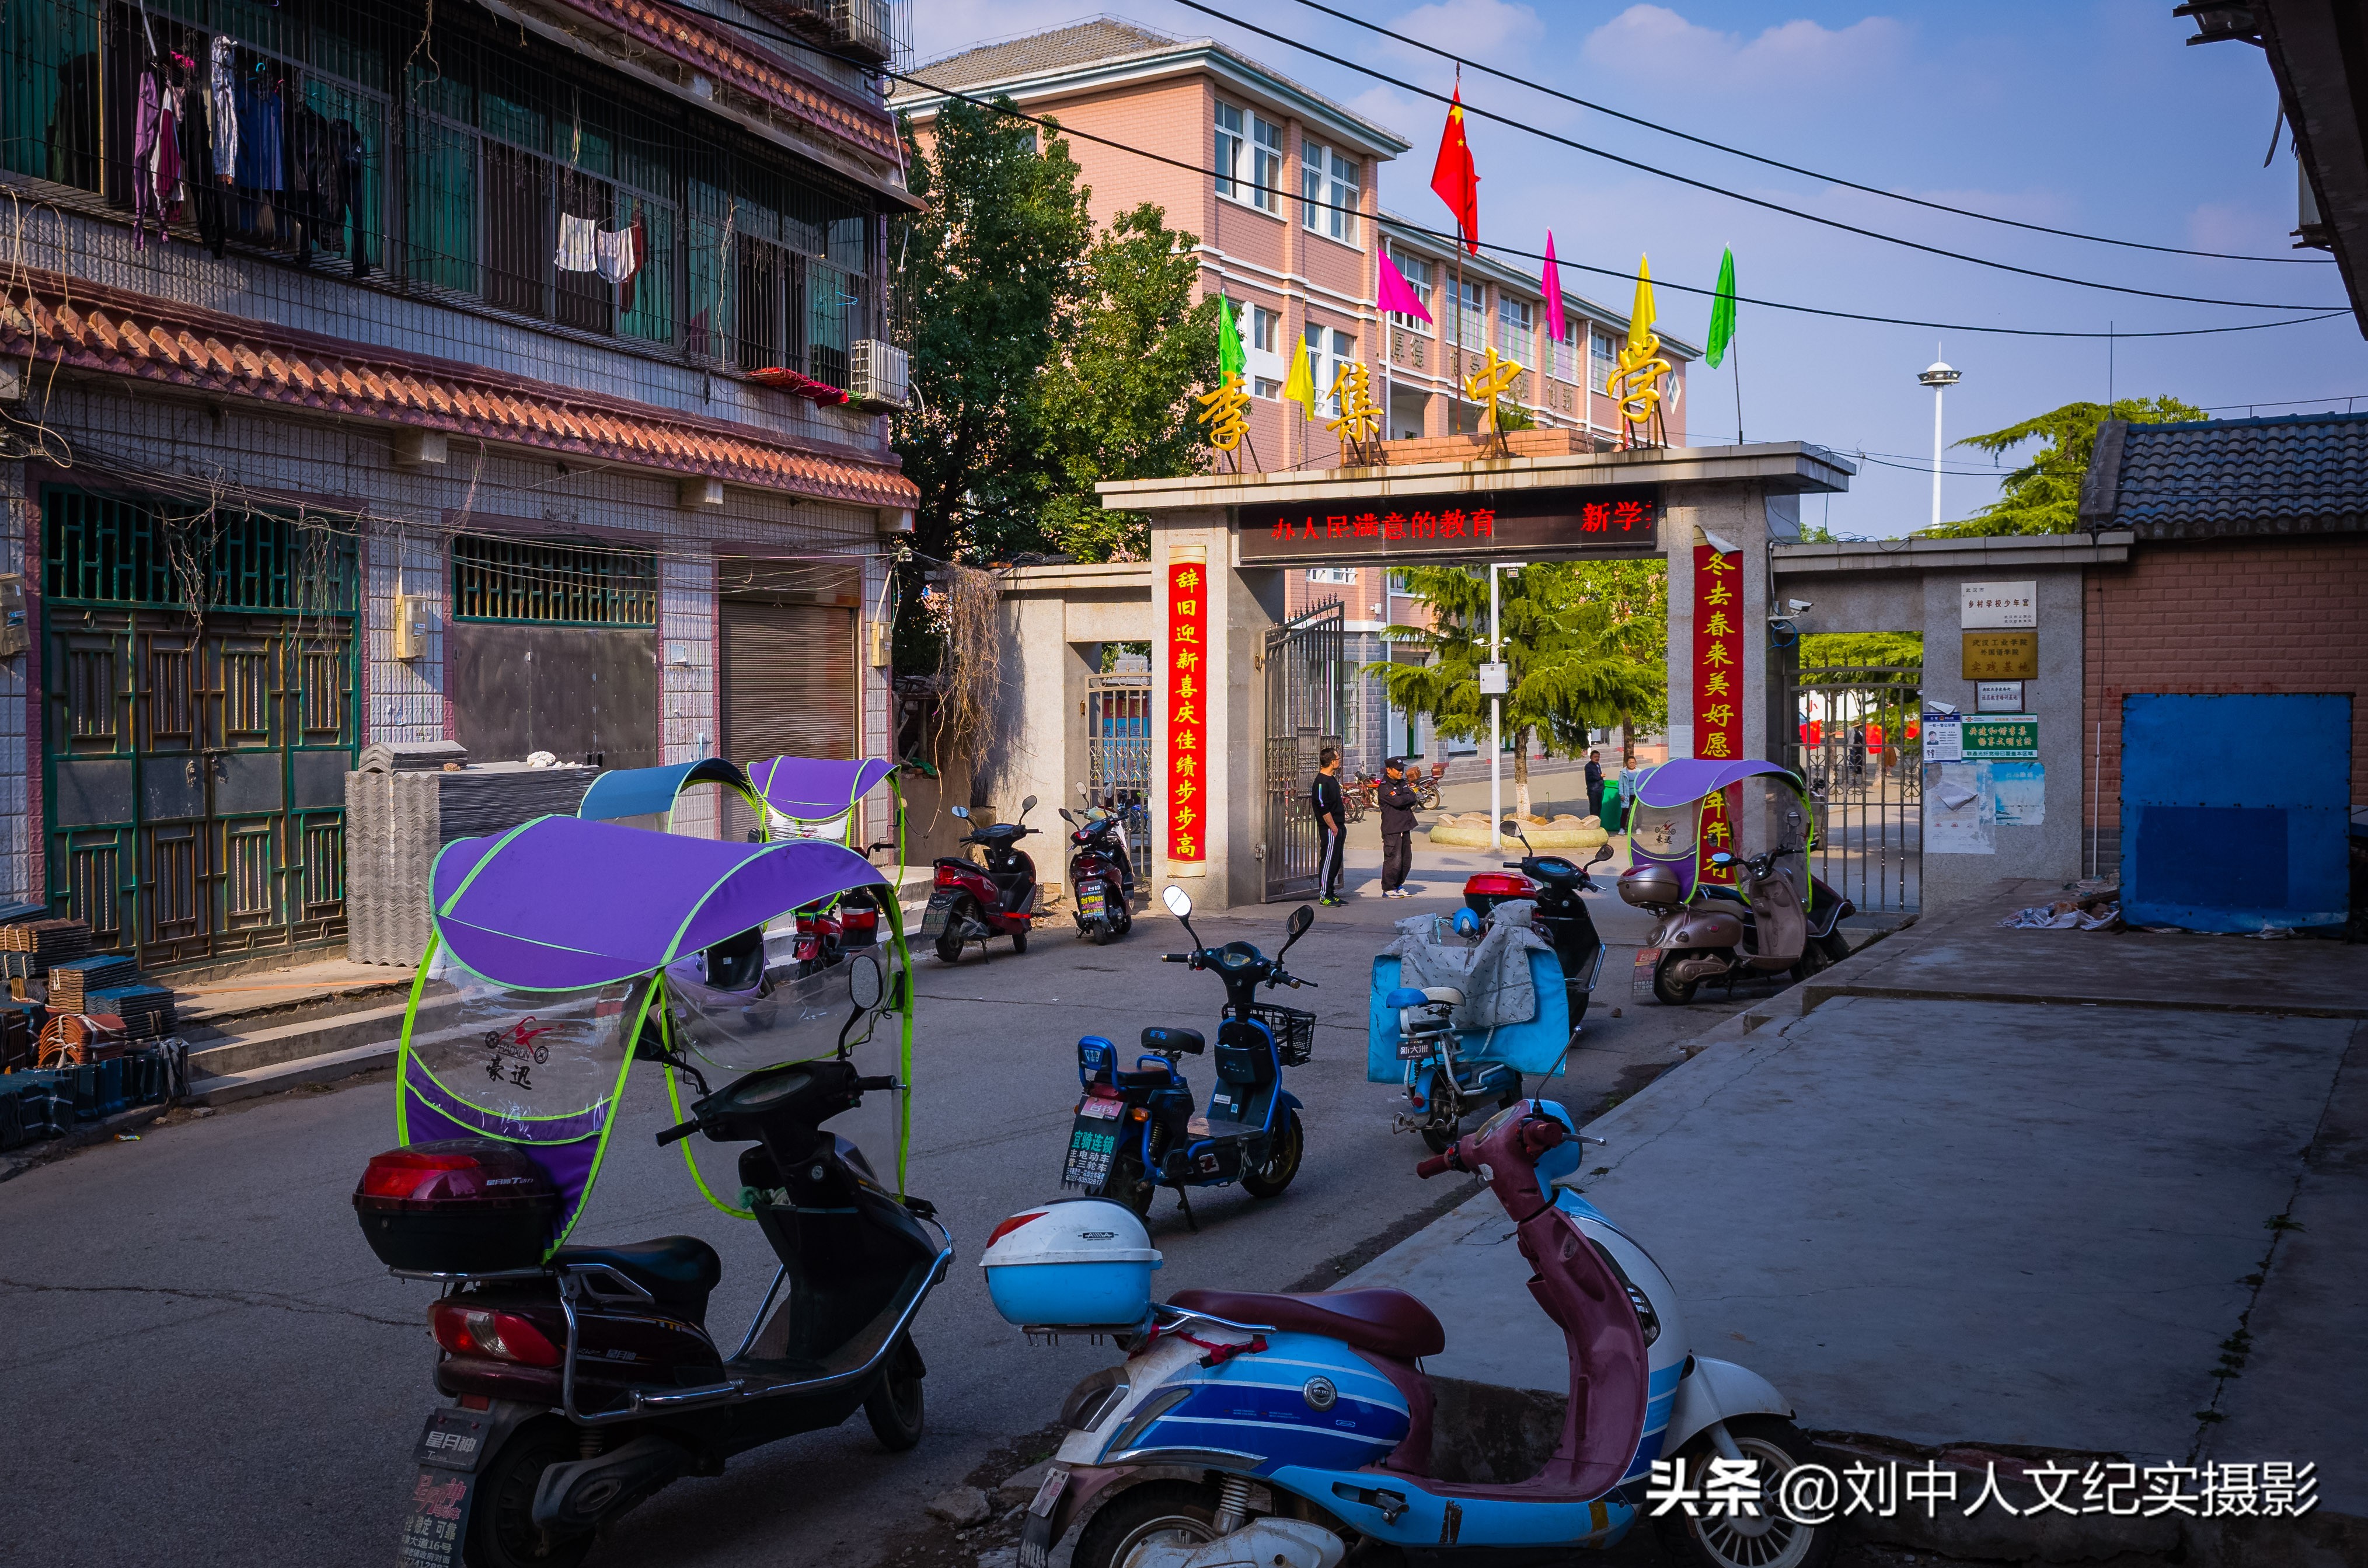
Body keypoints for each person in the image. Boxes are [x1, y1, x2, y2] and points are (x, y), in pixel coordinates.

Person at [1378, 757, 1421, 898]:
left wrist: (1405, 798)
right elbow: (1398, 801)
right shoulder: (1385, 786)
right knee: (1393, 860)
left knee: (1406, 860)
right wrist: (1405, 799)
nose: (1401, 772)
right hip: (1393, 829)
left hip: (1405, 826)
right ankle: (1388, 888)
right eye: (1398, 770)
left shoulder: (1402, 783)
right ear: (1389, 770)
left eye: (1402, 770)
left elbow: (1413, 797)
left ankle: (1398, 885)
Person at [1310, 748, 1347, 906]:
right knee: (1328, 861)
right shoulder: (1321, 782)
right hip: (1329, 828)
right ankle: (1324, 894)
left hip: (1339, 826)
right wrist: (1333, 827)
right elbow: (1322, 807)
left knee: (1336, 860)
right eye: (1338, 758)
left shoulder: (1332, 779)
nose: (1339, 760)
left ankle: (1331, 892)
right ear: (1332, 762)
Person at [1584, 749, 1605, 823]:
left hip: (1600, 789)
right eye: (1595, 757)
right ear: (1591, 757)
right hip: (1593, 790)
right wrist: (1600, 776)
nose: (1597, 758)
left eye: (1598, 757)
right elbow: (1589, 778)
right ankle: (1593, 822)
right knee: (1594, 808)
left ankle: (1598, 821)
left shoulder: (1598, 765)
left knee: (1599, 807)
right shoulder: (1588, 766)